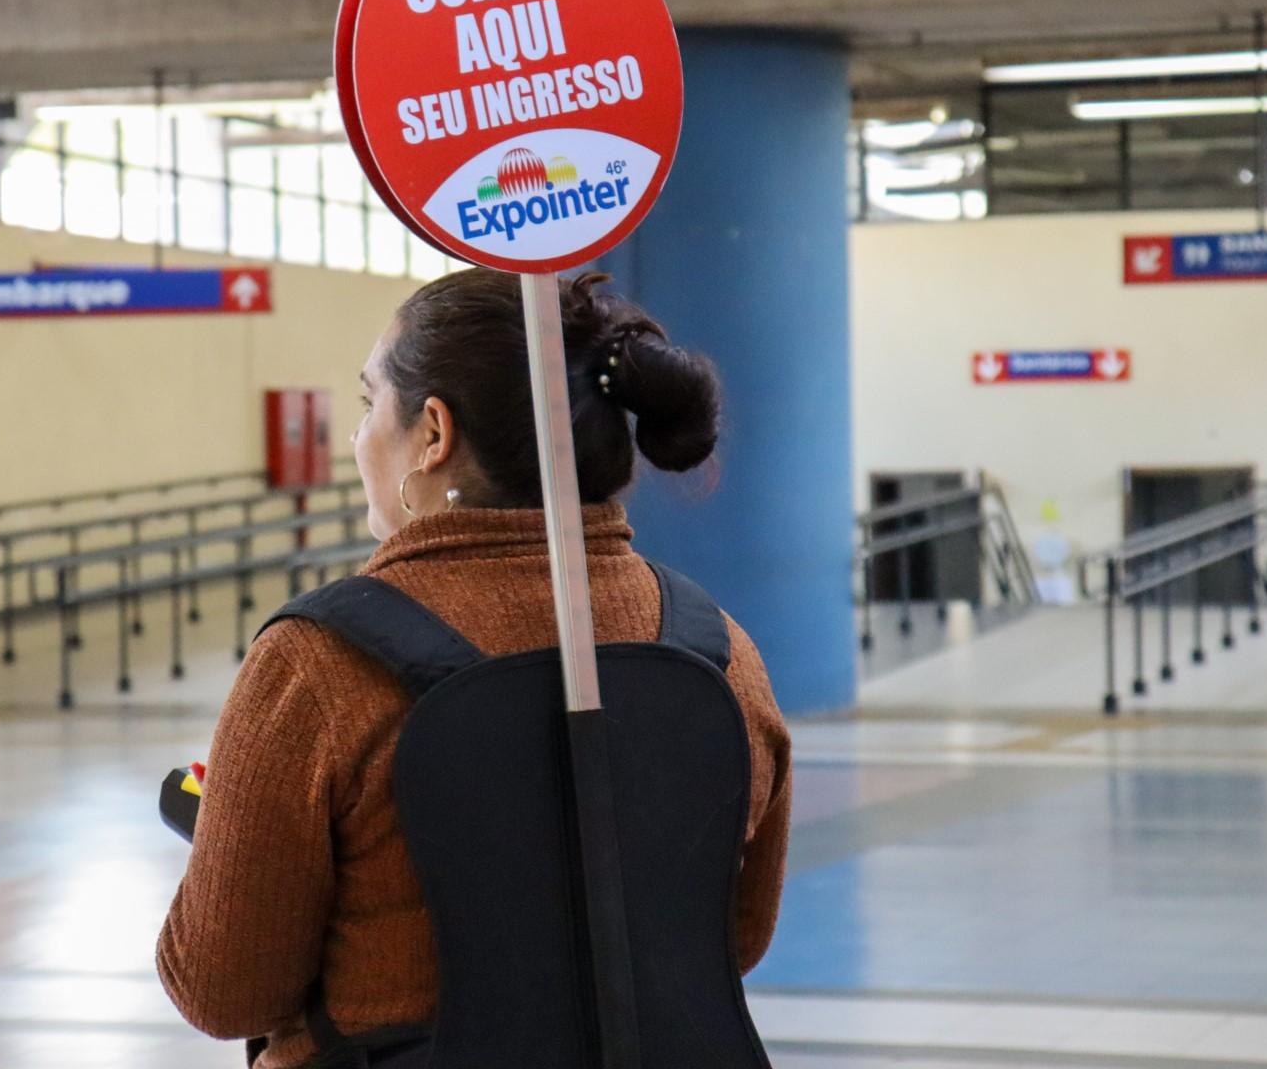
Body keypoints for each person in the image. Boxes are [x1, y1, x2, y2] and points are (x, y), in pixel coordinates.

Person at [158, 269, 793, 1068]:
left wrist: (235, 836)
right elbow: (731, 940)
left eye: (367, 405)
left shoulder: (319, 665)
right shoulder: (721, 652)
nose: (355, 440)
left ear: (432, 432)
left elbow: (224, 992)